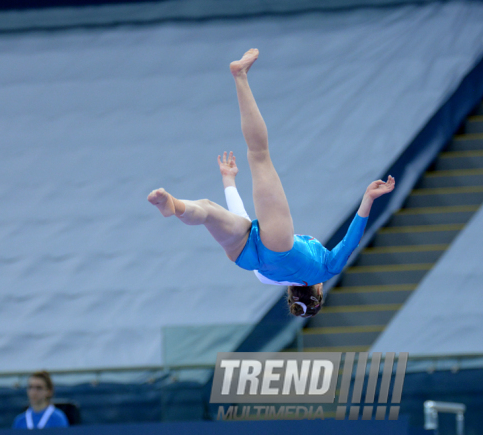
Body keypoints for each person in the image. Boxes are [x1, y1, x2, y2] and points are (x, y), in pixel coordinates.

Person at [148, 48, 395, 318]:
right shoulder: (268, 280)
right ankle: (174, 205)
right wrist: (228, 182)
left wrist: (368, 199)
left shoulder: (326, 269)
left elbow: (351, 241)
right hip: (246, 258)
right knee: (208, 210)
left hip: (279, 245)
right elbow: (241, 221)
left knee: (259, 155)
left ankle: (240, 76)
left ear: (319, 291)